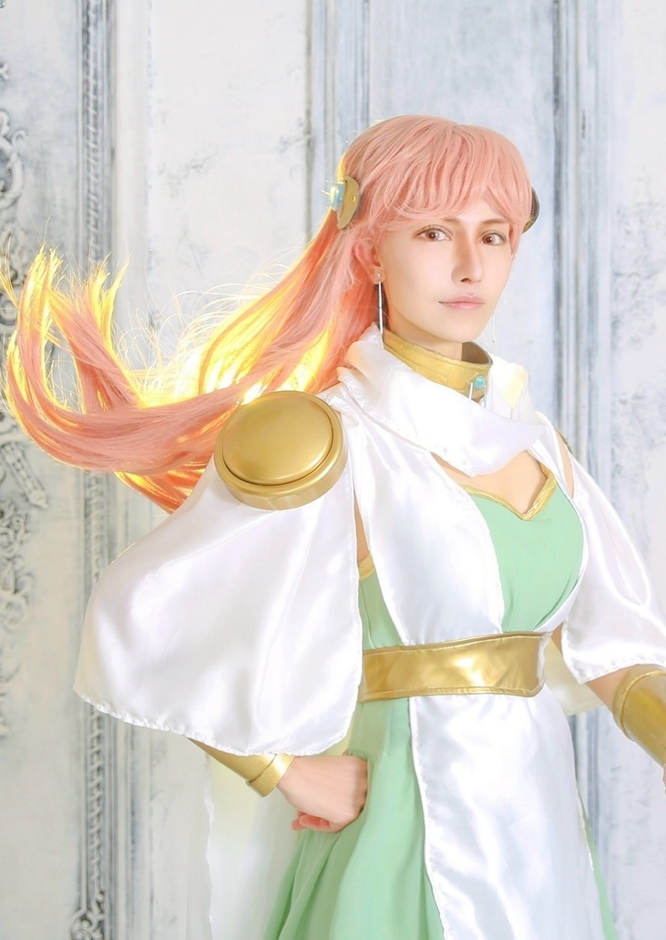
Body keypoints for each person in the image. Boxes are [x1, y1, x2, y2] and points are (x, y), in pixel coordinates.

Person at [3, 115, 666, 940]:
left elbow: (615, 644)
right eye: (434, 232)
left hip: (541, 835)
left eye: (494, 235)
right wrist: (279, 768)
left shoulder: (536, 442)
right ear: (370, 249)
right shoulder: (327, 436)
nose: (470, 265)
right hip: (398, 823)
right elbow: (141, 616)